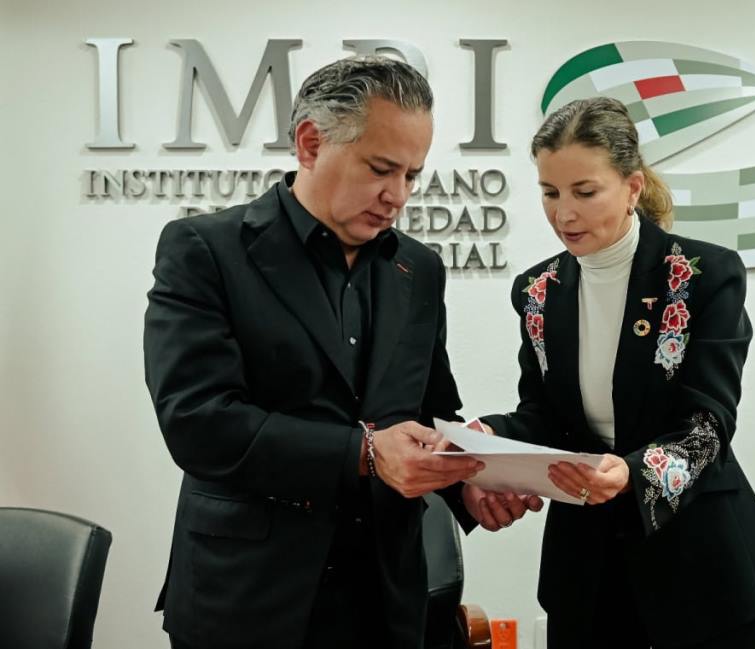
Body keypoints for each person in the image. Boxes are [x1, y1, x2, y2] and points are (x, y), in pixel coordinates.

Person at [143, 56, 541, 649]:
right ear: (310, 143)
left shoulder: (420, 268)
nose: (397, 196)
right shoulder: (205, 249)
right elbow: (197, 422)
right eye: (381, 169)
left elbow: (430, 414)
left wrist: (464, 481)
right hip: (248, 599)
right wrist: (365, 453)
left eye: (412, 175)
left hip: (387, 601)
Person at [480, 97, 755, 649]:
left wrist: (630, 473)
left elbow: (708, 427)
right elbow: (546, 416)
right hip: (587, 569)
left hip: (698, 563)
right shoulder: (536, 291)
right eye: (550, 193)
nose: (564, 214)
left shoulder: (701, 276)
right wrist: (488, 438)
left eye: (584, 192)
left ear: (631, 187)